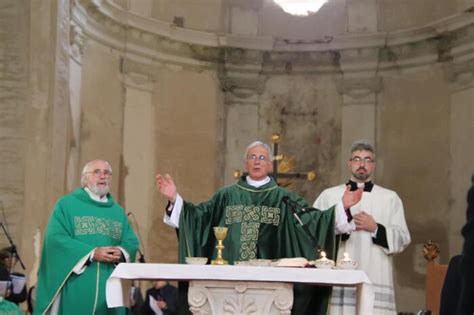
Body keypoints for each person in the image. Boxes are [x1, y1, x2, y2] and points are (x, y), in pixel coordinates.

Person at [156, 141, 363, 315]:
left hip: (270, 287)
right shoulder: (226, 196)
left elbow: (312, 220)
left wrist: (342, 207)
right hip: (229, 283)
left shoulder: (284, 198)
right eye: (252, 157)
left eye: (262, 158)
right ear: (246, 163)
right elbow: (198, 218)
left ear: (270, 165)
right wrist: (175, 199)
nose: (257, 161)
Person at [313, 140, 411, 315]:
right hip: (339, 279)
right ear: (349, 163)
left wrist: (375, 228)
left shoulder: (390, 198)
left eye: (367, 160)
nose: (362, 164)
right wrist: (341, 225)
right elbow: (314, 231)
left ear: (373, 165)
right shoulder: (329, 196)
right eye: (357, 159)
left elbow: (403, 238)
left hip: (376, 274)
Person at [34, 159, 140, 315]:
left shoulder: (117, 211)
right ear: (85, 178)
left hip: (110, 285)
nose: (102, 176)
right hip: (77, 283)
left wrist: (121, 251)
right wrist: (91, 253)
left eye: (106, 173)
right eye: (97, 172)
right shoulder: (67, 205)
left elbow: (131, 241)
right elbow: (55, 239)